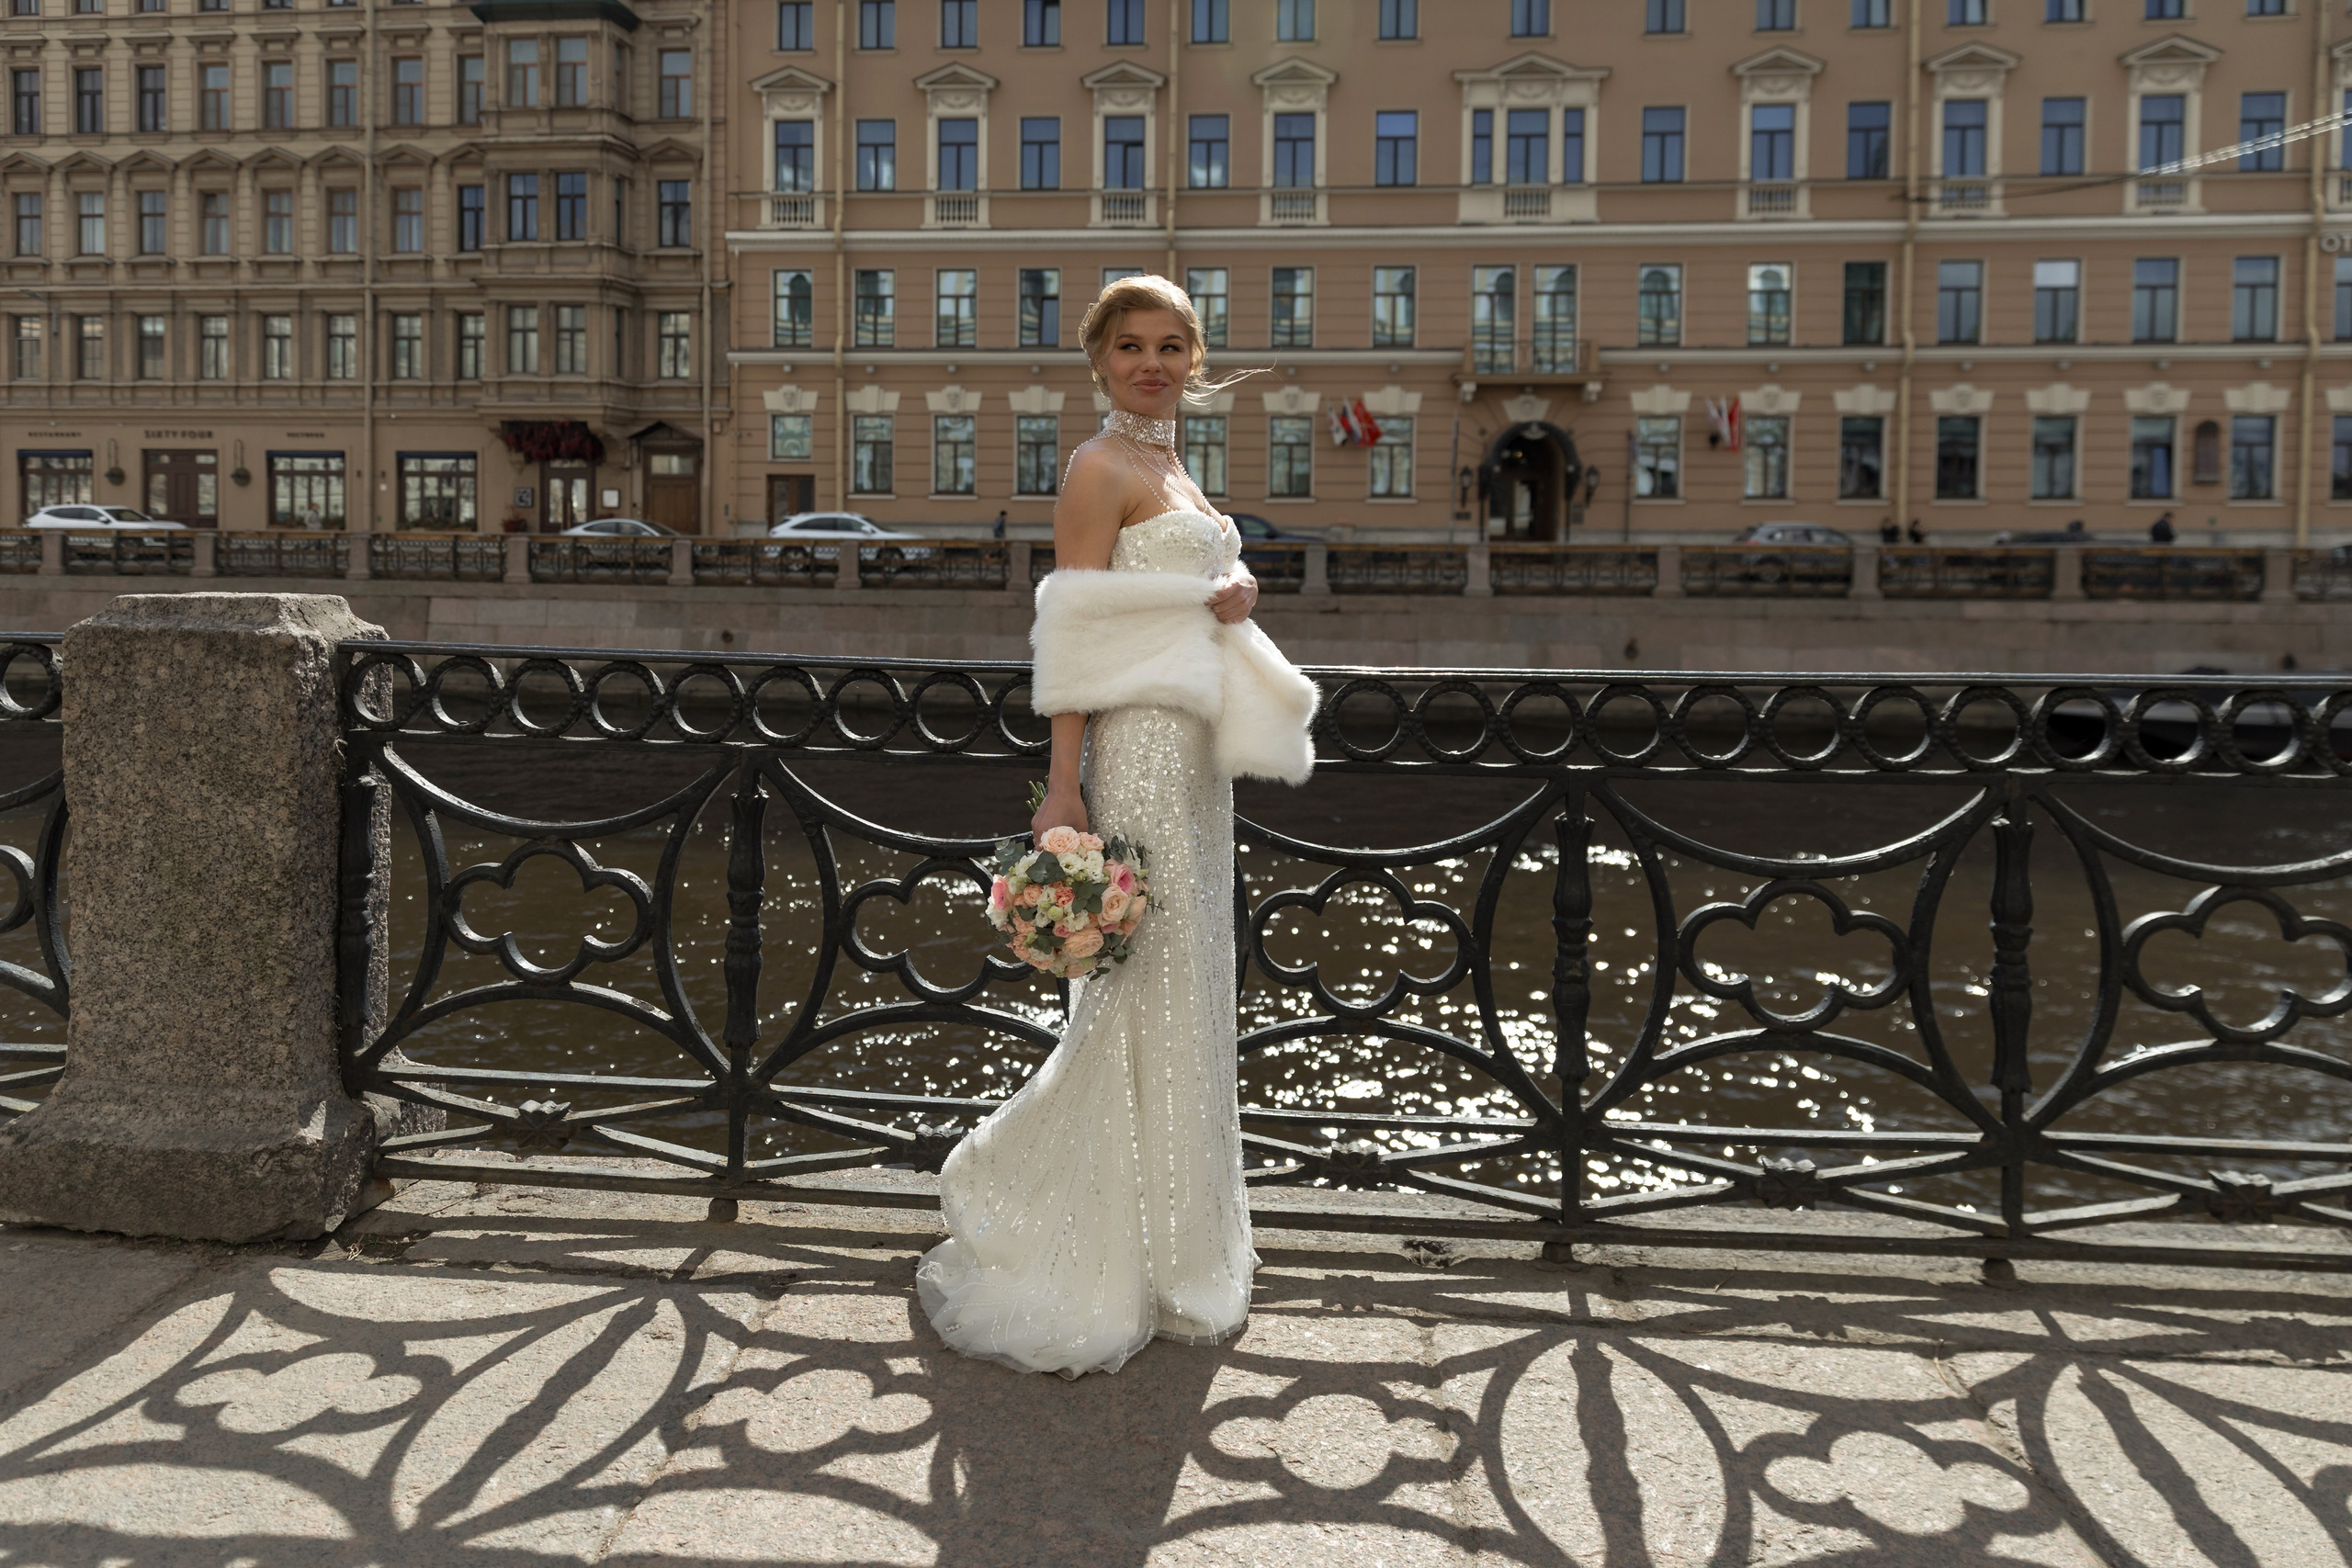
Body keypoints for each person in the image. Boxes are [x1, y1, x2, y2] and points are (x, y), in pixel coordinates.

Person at [915, 276, 1315, 1379]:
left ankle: (1170, 1246)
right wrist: (1062, 786)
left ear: (1197, 358)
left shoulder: (1172, 464)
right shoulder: (1098, 465)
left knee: (1185, 993)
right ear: (1097, 361)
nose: (1153, 362)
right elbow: (1076, 630)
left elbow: (1181, 578)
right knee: (1139, 989)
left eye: (1173, 345)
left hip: (1194, 762)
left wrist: (1232, 586)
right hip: (1134, 751)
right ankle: (1054, 1212)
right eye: (1131, 346)